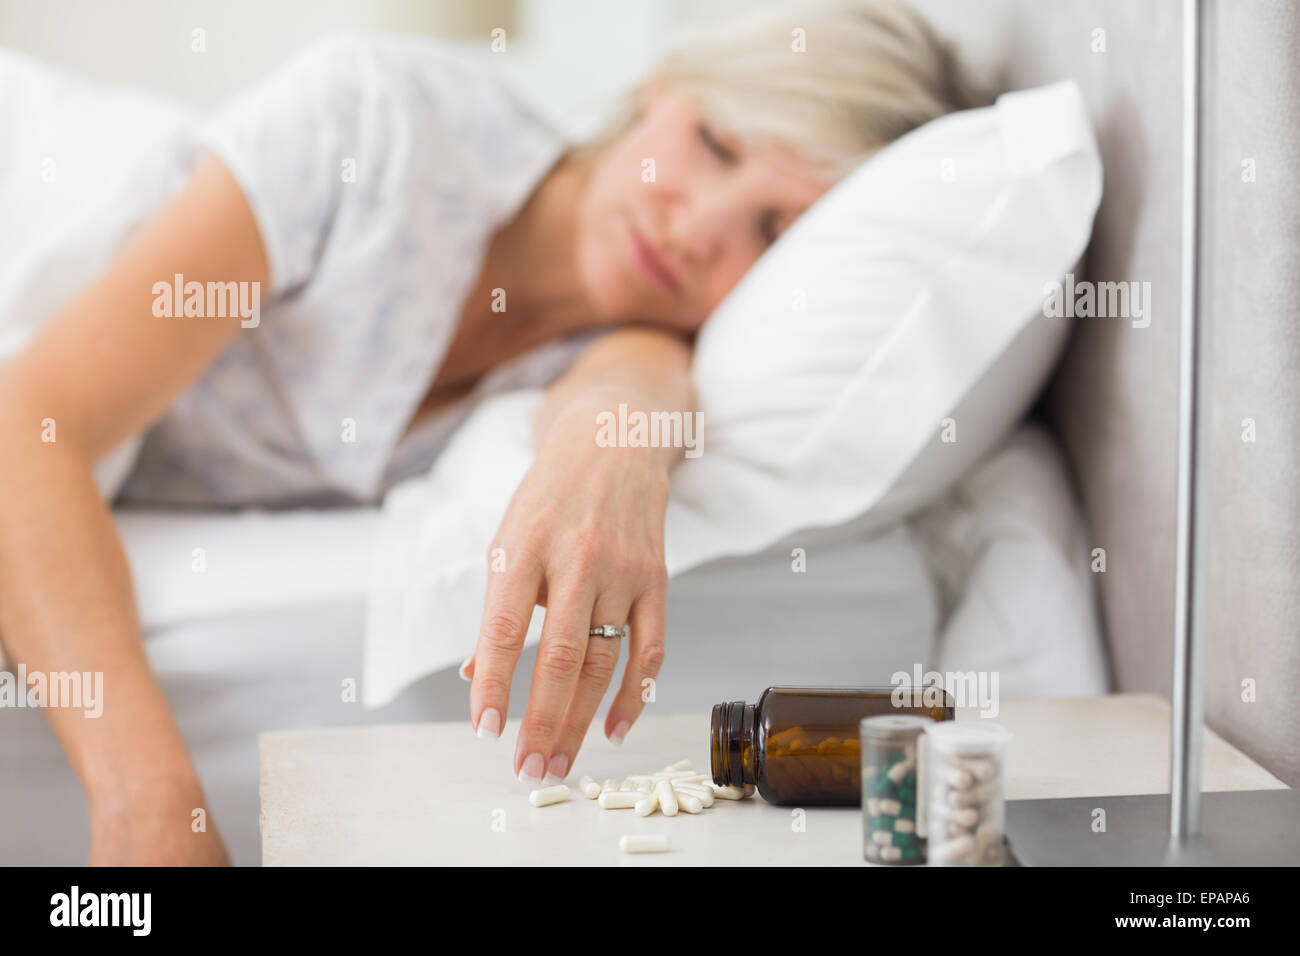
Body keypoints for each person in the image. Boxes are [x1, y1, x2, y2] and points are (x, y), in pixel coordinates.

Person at [0, 0, 975, 864]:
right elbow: (26, 423)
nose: (699, 225)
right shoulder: (377, 123)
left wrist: (618, 451)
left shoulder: (631, 335)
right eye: (716, 144)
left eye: (772, 229)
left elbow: (624, 389)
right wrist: (152, 805)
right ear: (660, 89)